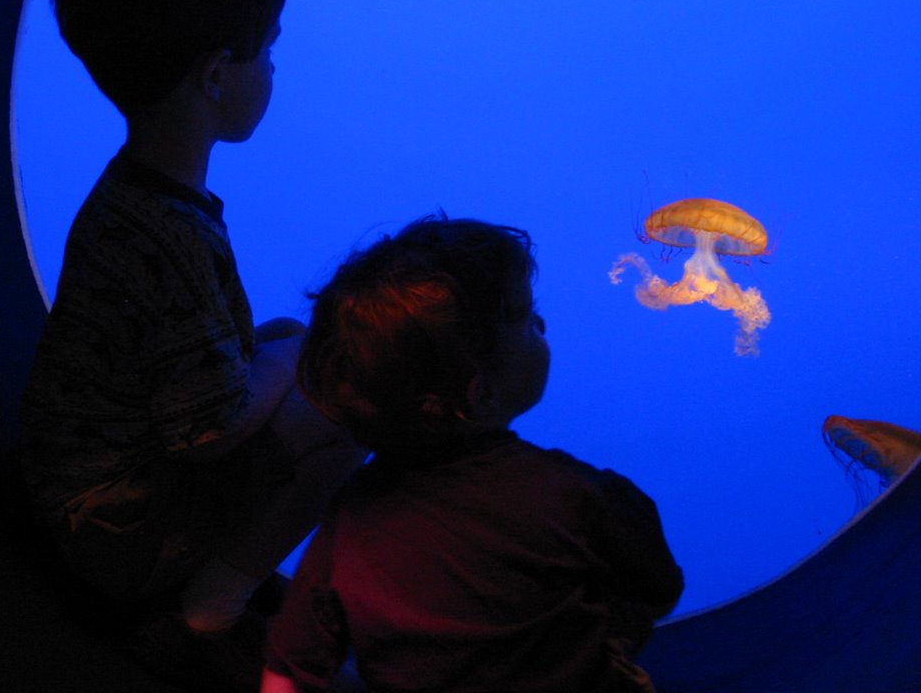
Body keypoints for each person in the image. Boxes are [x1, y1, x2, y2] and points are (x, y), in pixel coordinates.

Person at [19, 0, 363, 690]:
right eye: (267, 50)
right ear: (215, 74)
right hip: (109, 531)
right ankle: (206, 611)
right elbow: (209, 432)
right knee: (346, 409)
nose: (273, 69)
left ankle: (216, 574)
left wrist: (287, 348)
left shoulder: (136, 197)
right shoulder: (168, 234)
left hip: (74, 488)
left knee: (284, 338)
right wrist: (300, 355)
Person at [262, 216, 684, 692]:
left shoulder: (350, 519)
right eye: (524, 318)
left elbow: (286, 667)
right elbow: (660, 588)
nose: (541, 323)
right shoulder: (576, 496)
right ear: (478, 393)